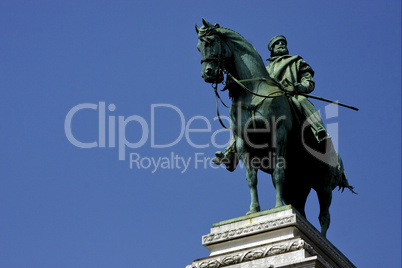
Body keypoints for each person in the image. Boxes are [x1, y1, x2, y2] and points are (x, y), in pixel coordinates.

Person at [213, 35, 329, 171]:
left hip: (291, 95)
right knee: (240, 115)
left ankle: (319, 130)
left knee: (302, 100)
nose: (281, 44)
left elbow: (308, 82)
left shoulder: (296, 61)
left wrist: (299, 87)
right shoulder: (265, 69)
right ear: (272, 49)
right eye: (277, 43)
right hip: (270, 101)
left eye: (283, 43)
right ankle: (232, 151)